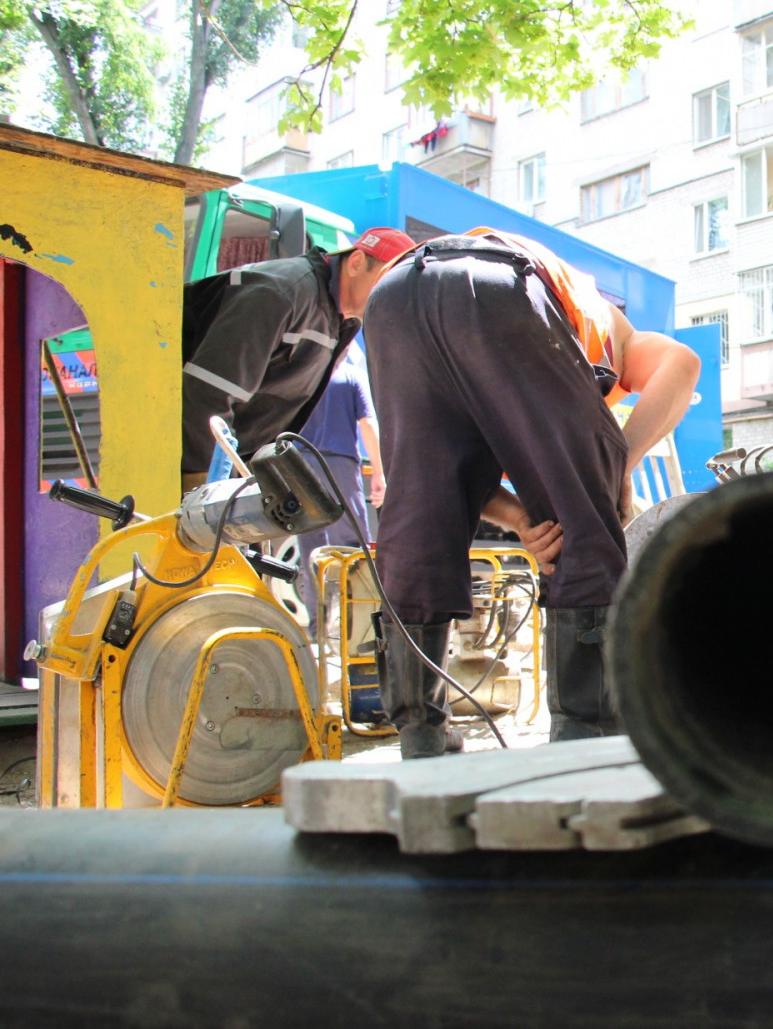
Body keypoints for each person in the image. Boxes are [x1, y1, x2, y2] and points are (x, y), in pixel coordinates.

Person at [363, 228, 700, 757]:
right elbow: (683, 364)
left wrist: (521, 519)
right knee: (585, 530)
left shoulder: (499, 371)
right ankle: (585, 735)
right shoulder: (616, 335)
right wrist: (615, 465)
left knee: (419, 513)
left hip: (394, 294)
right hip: (497, 284)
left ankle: (421, 730)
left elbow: (449, 474)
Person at [179, 227, 416, 489]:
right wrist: (205, 481)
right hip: (178, 456)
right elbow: (209, 392)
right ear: (357, 262)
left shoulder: (345, 322)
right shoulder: (281, 293)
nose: (391, 299)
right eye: (386, 283)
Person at [292, 342, 385, 619]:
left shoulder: (302, 378)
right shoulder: (351, 376)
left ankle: (316, 629)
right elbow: (368, 424)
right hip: (340, 465)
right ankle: (357, 631)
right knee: (353, 549)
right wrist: (379, 473)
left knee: (312, 551)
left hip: (301, 466)